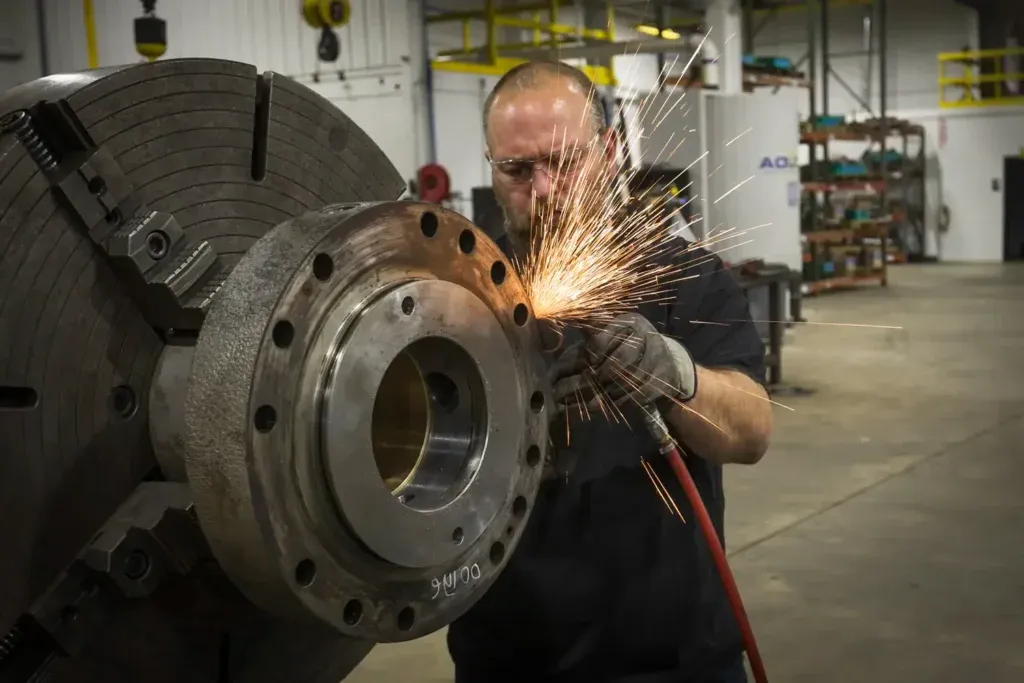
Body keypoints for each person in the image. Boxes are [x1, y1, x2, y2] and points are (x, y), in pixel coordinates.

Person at [447, 61, 774, 683]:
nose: (542, 190)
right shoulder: (458, 289)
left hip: (673, 659)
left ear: (609, 151)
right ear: (491, 167)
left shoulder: (686, 276)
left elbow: (752, 429)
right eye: (517, 171)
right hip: (507, 656)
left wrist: (671, 372)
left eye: (564, 162)